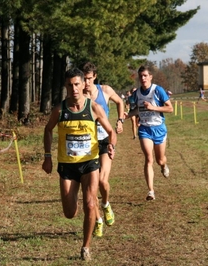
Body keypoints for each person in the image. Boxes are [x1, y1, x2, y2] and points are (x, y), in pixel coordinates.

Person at [42, 67, 117, 261]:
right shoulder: (60, 110)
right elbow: (48, 130)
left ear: (84, 84)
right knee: (69, 212)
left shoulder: (93, 108)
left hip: (89, 163)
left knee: (91, 203)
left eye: (77, 84)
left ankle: (86, 247)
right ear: (65, 87)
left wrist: (111, 146)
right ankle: (83, 218)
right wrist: (48, 156)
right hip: (67, 165)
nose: (74, 88)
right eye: (70, 85)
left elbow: (111, 131)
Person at [79, 62, 125, 238]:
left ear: (94, 77)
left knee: (103, 182)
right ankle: (98, 220)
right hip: (88, 144)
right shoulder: (79, 96)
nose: (86, 82)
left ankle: (106, 205)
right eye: (83, 79)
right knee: (91, 187)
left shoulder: (105, 90)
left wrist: (120, 121)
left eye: (89, 78)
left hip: (105, 140)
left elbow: (120, 102)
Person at [125, 65, 173, 201]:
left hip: (158, 128)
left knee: (159, 160)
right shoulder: (137, 94)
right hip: (145, 129)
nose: (143, 78)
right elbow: (136, 110)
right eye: (141, 76)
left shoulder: (158, 90)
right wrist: (127, 115)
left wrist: (153, 107)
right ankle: (151, 191)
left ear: (150, 77)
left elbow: (170, 109)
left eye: (145, 76)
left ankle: (164, 166)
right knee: (148, 159)